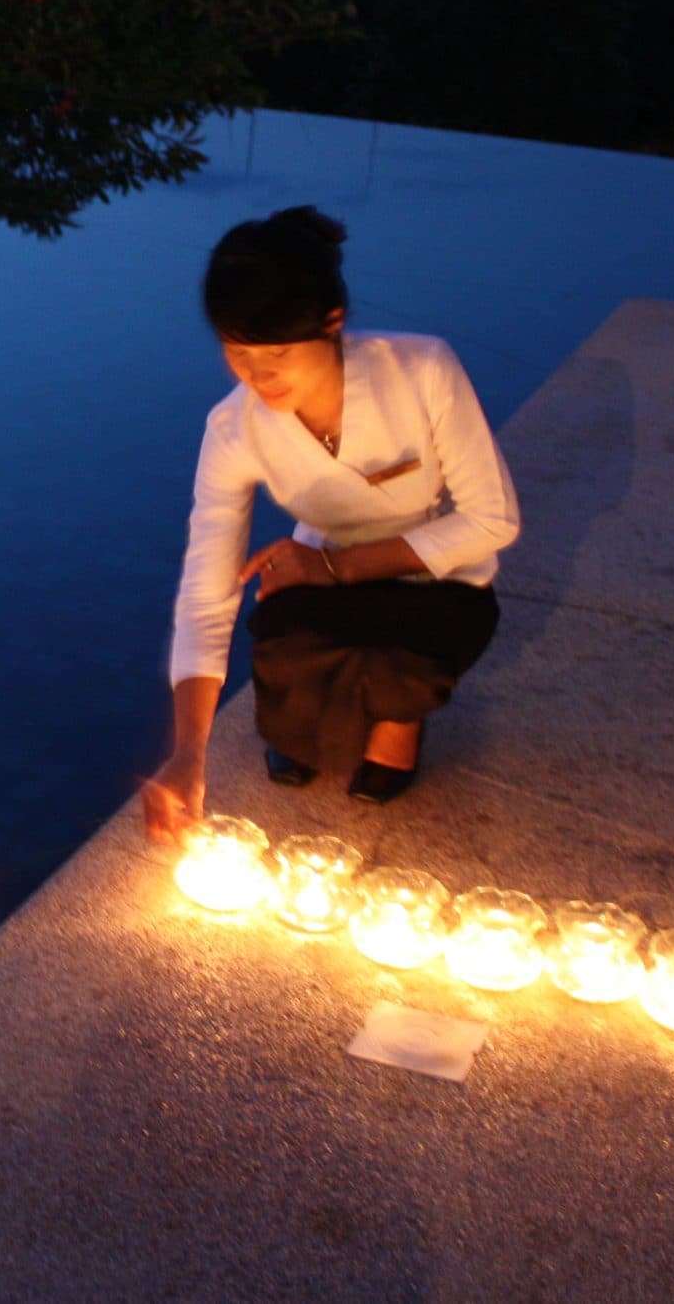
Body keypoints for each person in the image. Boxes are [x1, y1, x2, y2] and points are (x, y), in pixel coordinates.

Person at [143, 206, 520, 842]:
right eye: (238, 353)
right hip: (325, 585)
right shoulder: (234, 429)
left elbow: (493, 519)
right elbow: (208, 595)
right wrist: (187, 756)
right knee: (281, 633)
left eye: (278, 353)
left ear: (333, 322)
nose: (258, 377)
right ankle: (309, 723)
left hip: (436, 581)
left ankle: (400, 720)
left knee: (406, 658)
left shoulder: (422, 370)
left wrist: (333, 565)